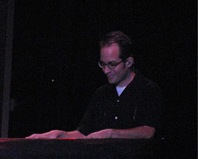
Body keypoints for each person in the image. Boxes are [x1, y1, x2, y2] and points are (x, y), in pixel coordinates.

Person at [27, 31, 163, 139]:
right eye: (103, 64)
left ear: (128, 62)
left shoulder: (148, 90)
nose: (106, 70)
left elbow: (148, 132)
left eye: (112, 64)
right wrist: (59, 135)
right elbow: (83, 133)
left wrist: (111, 133)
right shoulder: (101, 94)